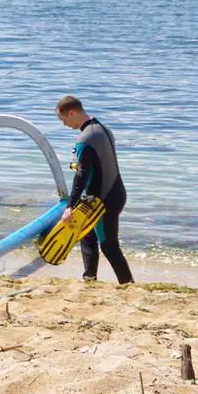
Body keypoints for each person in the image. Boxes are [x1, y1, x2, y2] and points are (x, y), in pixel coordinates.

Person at [55, 95, 134, 284]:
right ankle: (89, 277)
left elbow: (81, 177)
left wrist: (70, 206)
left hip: (104, 200)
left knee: (109, 245)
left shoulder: (86, 139)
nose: (64, 124)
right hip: (113, 193)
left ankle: (127, 283)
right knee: (86, 233)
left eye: (63, 119)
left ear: (72, 112)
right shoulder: (101, 128)